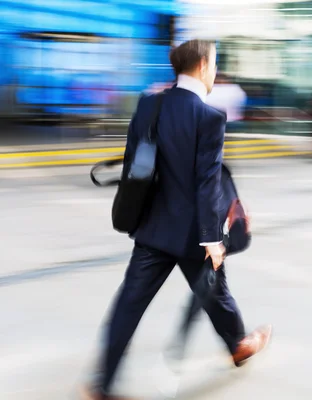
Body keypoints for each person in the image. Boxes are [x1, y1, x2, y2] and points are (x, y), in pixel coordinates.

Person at [81, 39, 271, 400]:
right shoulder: (210, 118)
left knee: (129, 305)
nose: (215, 71)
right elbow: (205, 183)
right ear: (201, 66)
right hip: (192, 237)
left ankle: (101, 385)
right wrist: (211, 239)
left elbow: (135, 163)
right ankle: (238, 344)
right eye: (214, 63)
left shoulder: (149, 104)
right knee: (215, 291)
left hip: (152, 229)